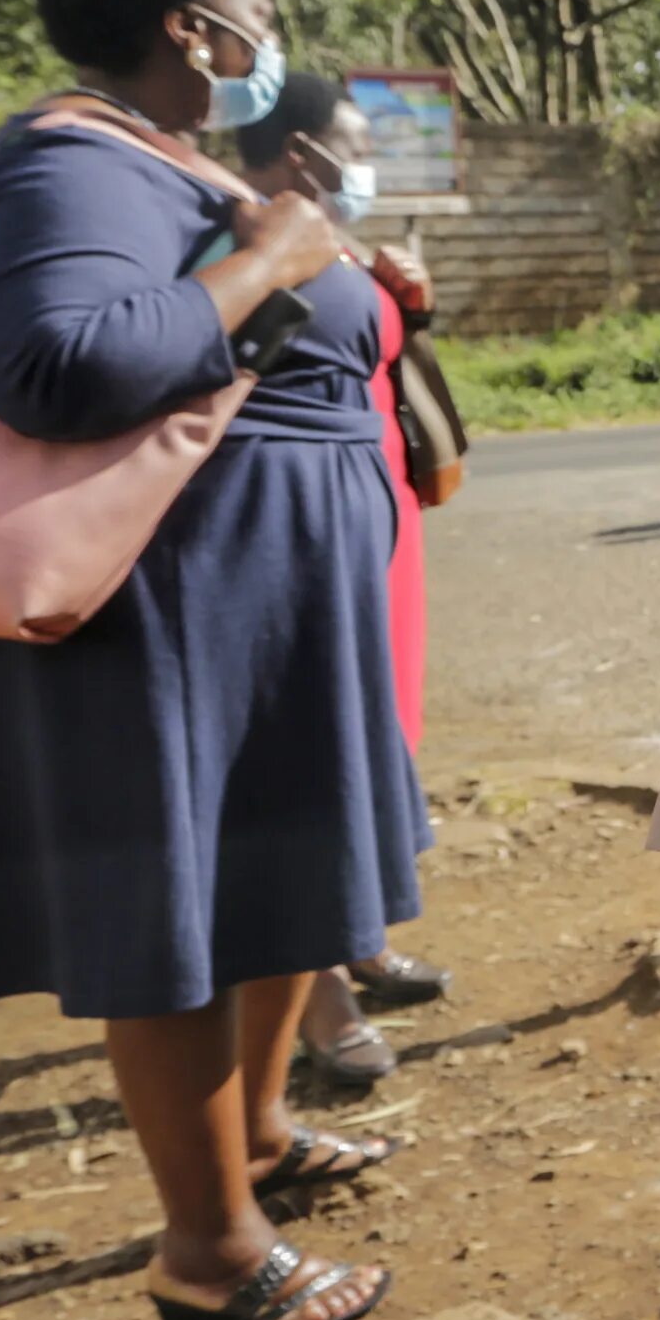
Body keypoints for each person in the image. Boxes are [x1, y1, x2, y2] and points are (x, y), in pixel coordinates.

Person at [0, 0, 425, 1320]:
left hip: (260, 607)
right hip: (171, 618)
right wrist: (272, 259)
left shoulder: (168, 168)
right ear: (194, 29)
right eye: (258, 19)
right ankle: (207, 1248)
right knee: (183, 919)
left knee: (277, 883)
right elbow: (57, 363)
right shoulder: (63, 168)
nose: (272, 42)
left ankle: (260, 1138)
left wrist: (342, 283)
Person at [236, 74, 456, 1086]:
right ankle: (318, 988)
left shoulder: (335, 246)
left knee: (377, 729)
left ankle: (358, 931)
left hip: (378, 517)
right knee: (311, 745)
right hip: (293, 527)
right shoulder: (243, 240)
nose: (365, 165)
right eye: (352, 145)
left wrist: (404, 299)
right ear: (296, 152)